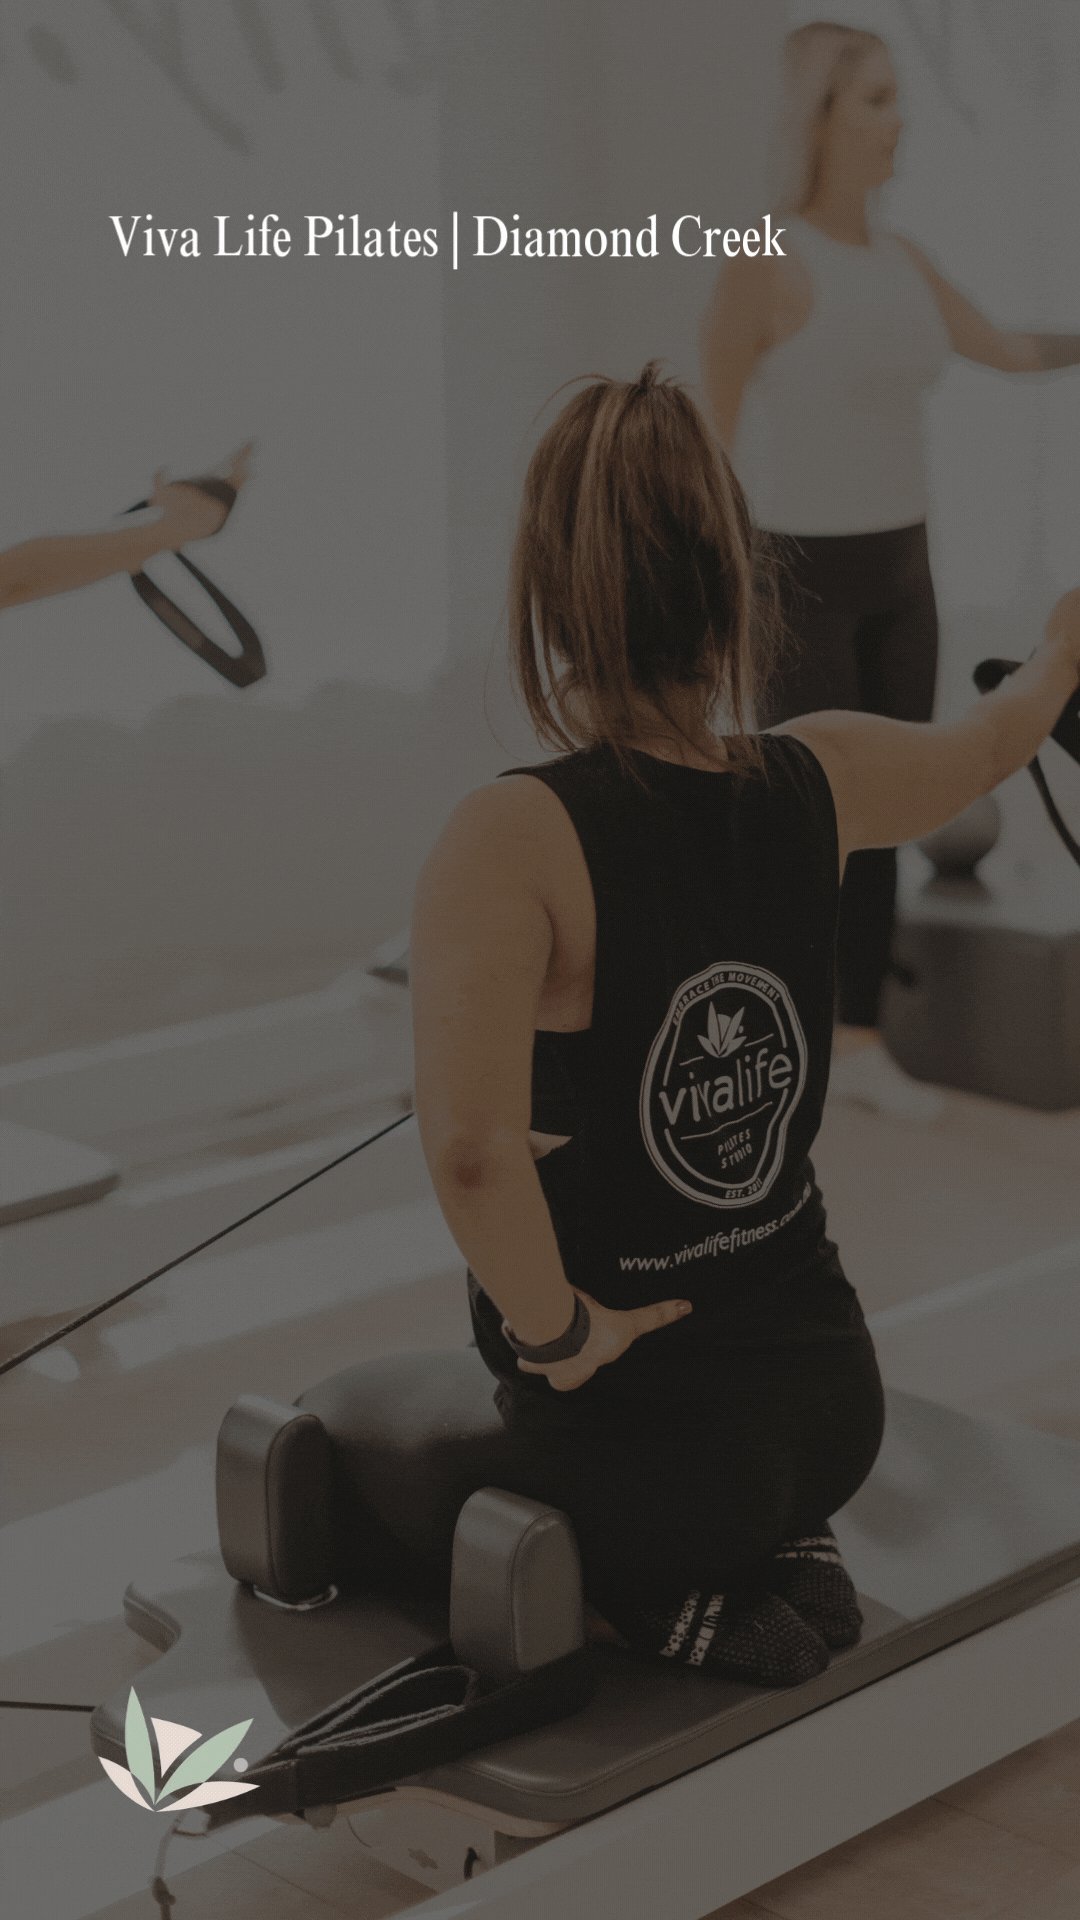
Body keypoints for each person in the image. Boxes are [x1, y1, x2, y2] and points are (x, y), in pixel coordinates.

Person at [410, 364, 1080, 1686]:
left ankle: (662, 1589)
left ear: (548, 597)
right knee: (747, 1452)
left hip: (646, 1452)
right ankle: (779, 1544)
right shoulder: (822, 772)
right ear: (732, 580)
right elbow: (996, 741)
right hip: (836, 1406)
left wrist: (561, 1337)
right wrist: (1062, 654)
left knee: (385, 1478)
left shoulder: (509, 835)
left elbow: (475, 1154)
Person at [700, 22, 1080, 1122]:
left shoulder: (902, 261)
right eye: (873, 100)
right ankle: (774, 1057)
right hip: (796, 577)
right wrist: (711, 599)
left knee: (889, 818)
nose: (897, 118)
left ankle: (859, 1040)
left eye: (896, 98)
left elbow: (1006, 350)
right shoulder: (765, 260)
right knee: (805, 832)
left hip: (903, 569)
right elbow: (714, 447)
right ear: (819, 117)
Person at [0, 444, 252, 614]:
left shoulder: (198, 516)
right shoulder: (193, 520)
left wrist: (227, 480)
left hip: (68, 556)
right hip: (78, 559)